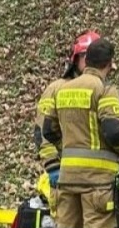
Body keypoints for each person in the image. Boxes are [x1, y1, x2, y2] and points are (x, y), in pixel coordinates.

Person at [41, 37, 119, 228]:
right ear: (109, 64)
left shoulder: (63, 89)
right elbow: (115, 131)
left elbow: (48, 130)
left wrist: (67, 149)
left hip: (68, 178)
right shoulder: (104, 90)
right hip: (98, 181)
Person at [34, 32, 101, 189]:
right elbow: (42, 131)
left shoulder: (102, 90)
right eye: (86, 56)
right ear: (76, 59)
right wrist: (53, 166)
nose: (92, 62)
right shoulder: (56, 89)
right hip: (65, 172)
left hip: (97, 178)